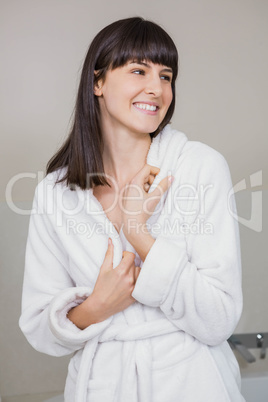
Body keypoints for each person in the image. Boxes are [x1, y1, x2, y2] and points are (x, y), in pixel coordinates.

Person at [19, 17, 245, 402]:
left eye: (166, 76)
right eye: (138, 70)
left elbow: (219, 318)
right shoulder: (55, 194)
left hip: (192, 384)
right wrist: (97, 306)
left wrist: (139, 233)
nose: (156, 88)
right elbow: (41, 329)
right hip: (103, 385)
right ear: (98, 82)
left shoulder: (199, 167)